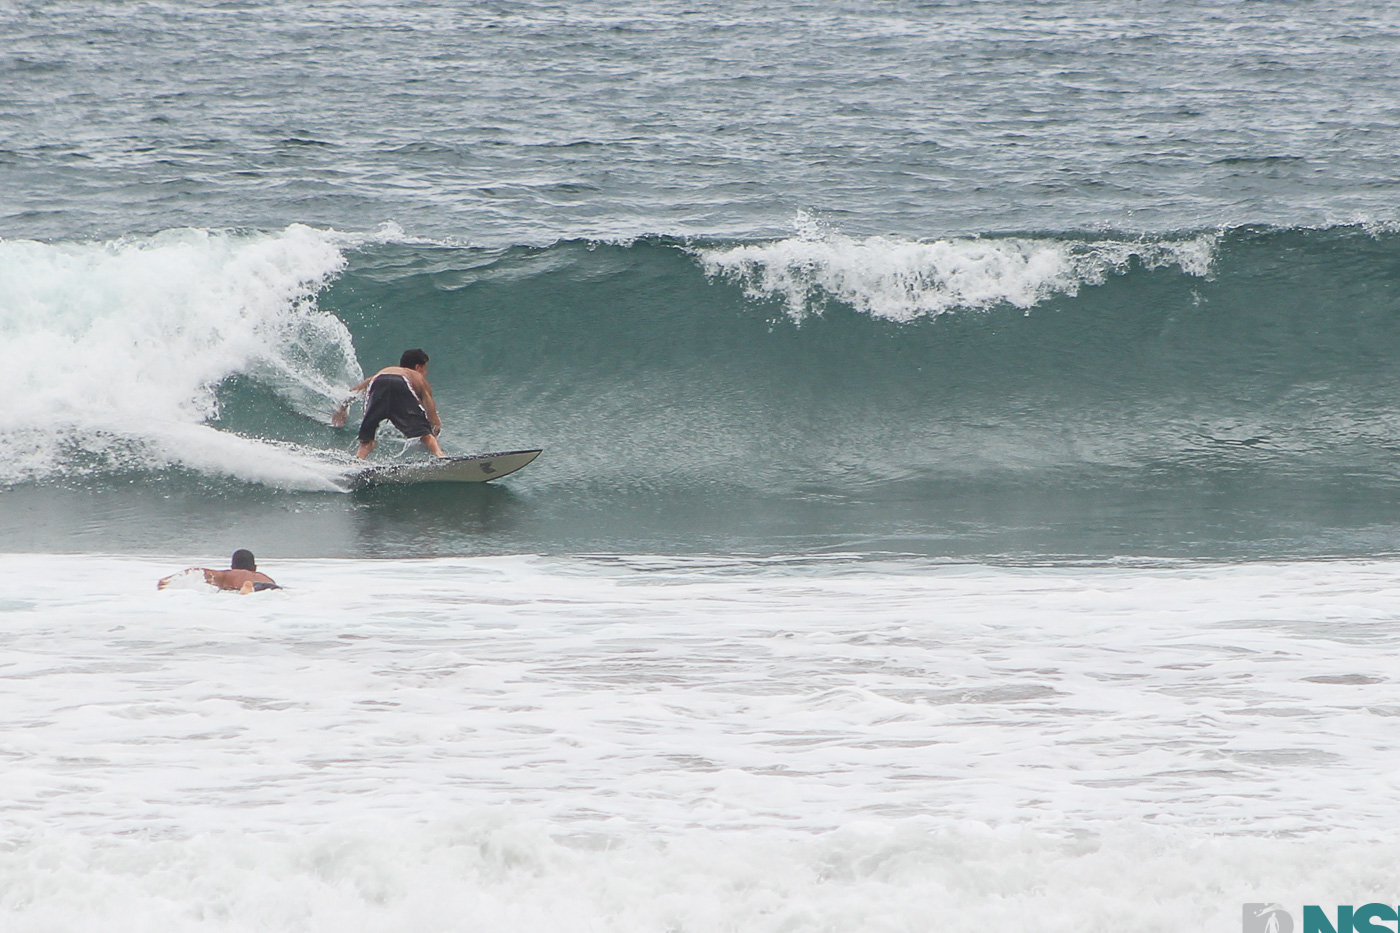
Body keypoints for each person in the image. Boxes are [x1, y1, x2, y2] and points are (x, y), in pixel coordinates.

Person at [331, 348, 445, 459]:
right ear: (418, 367)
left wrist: (342, 408)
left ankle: (358, 459)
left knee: (367, 440)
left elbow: (355, 391)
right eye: (425, 369)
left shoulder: (386, 371)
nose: (426, 373)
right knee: (426, 435)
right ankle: (440, 455)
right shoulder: (417, 376)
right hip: (401, 383)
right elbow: (430, 410)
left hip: (378, 382)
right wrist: (434, 429)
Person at [158, 549, 279, 594]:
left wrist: (168, 581)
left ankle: (247, 589)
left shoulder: (227, 574)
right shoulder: (265, 577)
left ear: (232, 566)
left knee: (244, 591)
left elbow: (198, 572)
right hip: (270, 586)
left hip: (244, 587)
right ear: (255, 567)